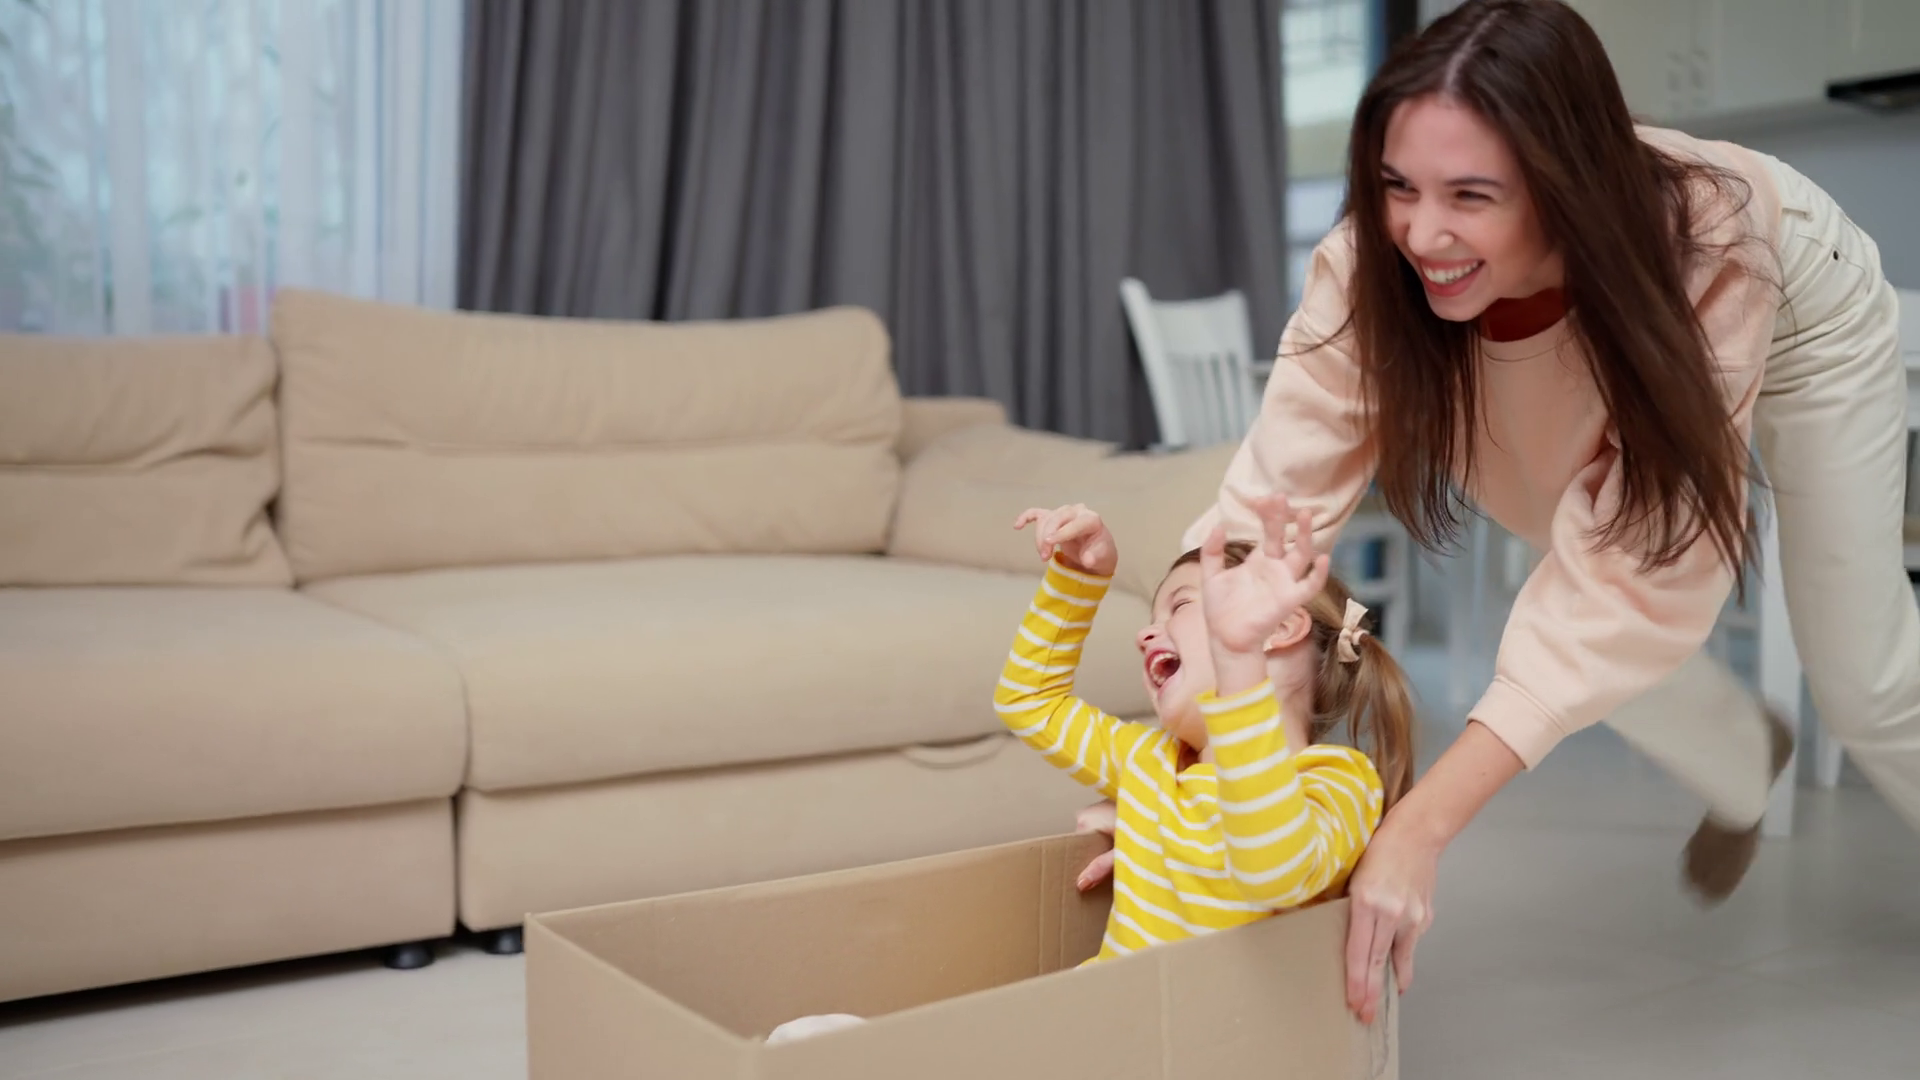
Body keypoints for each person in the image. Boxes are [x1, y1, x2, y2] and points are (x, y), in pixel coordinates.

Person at [1082, 0, 1919, 1026]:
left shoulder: (1709, 242)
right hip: (1573, 313)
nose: (1421, 232)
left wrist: (1420, 824)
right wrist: (1180, 786)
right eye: (1398, 185)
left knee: (1860, 677)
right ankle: (1748, 753)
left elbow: (1642, 574)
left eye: (1470, 195)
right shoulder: (1375, 261)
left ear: (1564, 188)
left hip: (1799, 315)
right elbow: (1271, 501)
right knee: (1577, 603)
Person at [768, 494, 1416, 1044]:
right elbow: (1030, 702)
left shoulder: (1335, 780)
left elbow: (1272, 868)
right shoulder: (1150, 760)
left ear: (1277, 628)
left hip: (1203, 1049)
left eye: (1180, 607)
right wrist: (1077, 584)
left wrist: (1238, 664)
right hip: (1099, 1031)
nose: (1145, 634)